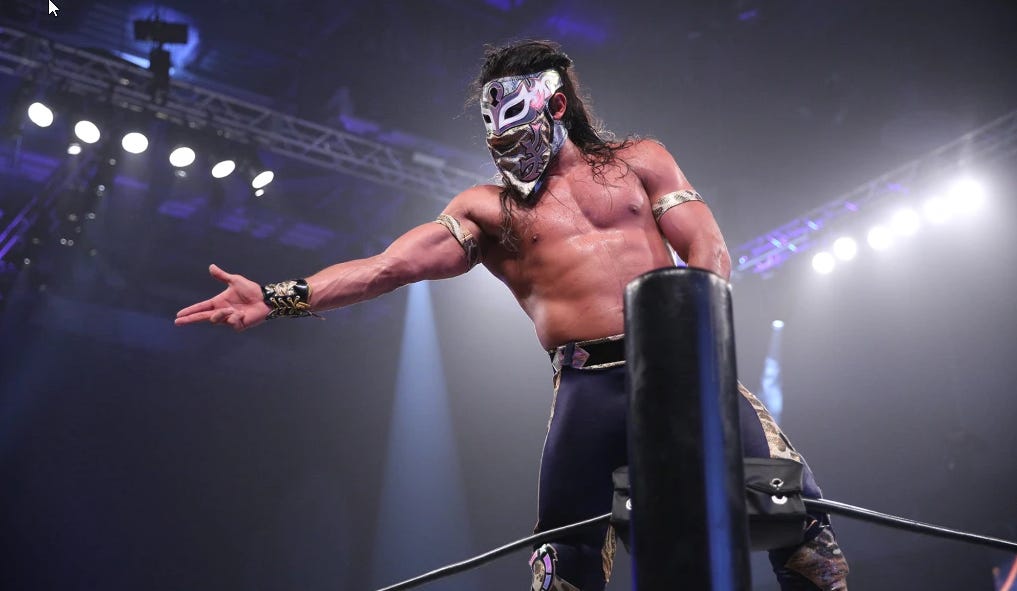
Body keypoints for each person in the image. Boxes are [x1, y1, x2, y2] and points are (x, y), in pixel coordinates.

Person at [176, 40, 849, 591]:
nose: (508, 147)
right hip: (587, 388)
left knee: (801, 528)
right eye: (496, 136)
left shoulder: (639, 161)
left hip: (677, 361)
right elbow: (388, 267)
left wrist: (691, 342)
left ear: (556, 106)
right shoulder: (487, 210)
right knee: (561, 566)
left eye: (520, 129)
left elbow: (708, 247)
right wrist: (276, 296)